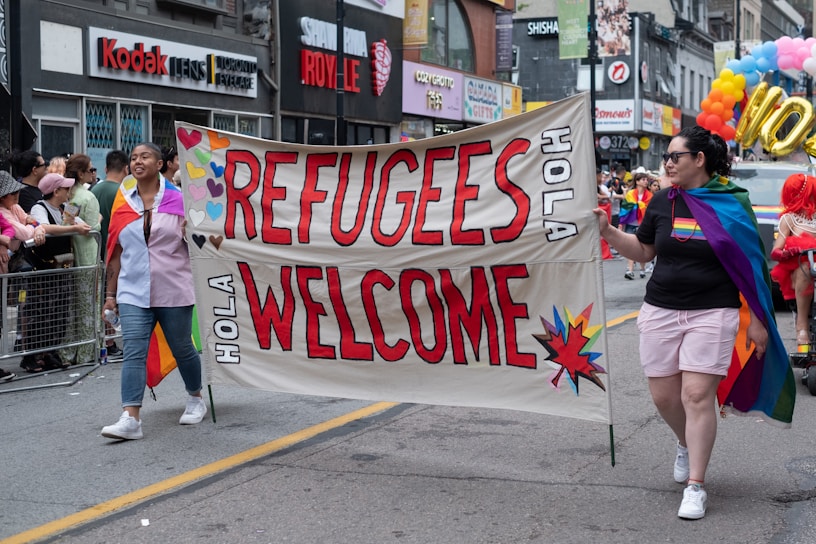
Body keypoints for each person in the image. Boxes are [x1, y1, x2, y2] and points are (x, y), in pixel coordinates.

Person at [594, 125, 791, 520]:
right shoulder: (662, 200)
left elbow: (752, 266)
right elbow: (645, 250)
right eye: (667, 157)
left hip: (713, 313)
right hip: (661, 309)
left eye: (674, 156)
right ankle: (685, 442)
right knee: (664, 397)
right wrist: (609, 231)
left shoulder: (733, 204)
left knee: (697, 396)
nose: (667, 163)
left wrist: (758, 321)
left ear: (698, 160)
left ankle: (696, 485)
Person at [101, 142, 206, 440]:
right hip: (133, 291)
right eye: (133, 157)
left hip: (173, 288)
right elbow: (116, 252)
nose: (137, 161)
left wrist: (194, 231)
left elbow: (202, 246)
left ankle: (195, 397)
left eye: (145, 156)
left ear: (160, 164)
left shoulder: (180, 201)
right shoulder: (123, 204)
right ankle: (130, 417)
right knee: (134, 349)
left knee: (182, 347)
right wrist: (110, 295)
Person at [21, 173, 91, 373]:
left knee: (59, 312)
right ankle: (32, 356)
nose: (69, 192)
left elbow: (83, 221)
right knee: (40, 311)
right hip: (44, 268)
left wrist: (84, 223)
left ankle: (50, 352)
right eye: (65, 189)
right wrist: (73, 228)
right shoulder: (39, 207)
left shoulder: (65, 208)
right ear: (55, 191)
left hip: (63, 269)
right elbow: (43, 226)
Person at [61, 154, 103, 365]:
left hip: (74, 256)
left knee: (74, 308)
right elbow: (93, 228)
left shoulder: (71, 196)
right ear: (81, 173)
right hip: (88, 256)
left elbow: (67, 224)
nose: (92, 173)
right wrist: (98, 222)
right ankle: (87, 352)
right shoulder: (87, 197)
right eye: (89, 169)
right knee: (89, 305)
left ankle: (69, 352)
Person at [769, 173, 816, 346]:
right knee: (805, 268)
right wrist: (788, 253)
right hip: (801, 268)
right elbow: (775, 251)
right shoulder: (789, 219)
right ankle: (802, 326)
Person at [91, 150, 129, 359]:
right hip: (116, 254)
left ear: (105, 168)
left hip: (95, 253)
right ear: (126, 169)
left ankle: (106, 340)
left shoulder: (94, 189)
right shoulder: (123, 193)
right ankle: (111, 341)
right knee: (113, 298)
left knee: (103, 299)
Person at [619, 169, 652, 279]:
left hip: (643, 224)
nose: (646, 182)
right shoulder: (630, 194)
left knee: (642, 247)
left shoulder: (650, 195)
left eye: (647, 180)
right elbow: (624, 208)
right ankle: (630, 270)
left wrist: (641, 205)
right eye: (643, 179)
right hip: (631, 223)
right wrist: (621, 224)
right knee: (630, 247)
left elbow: (650, 210)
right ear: (637, 181)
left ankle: (642, 269)